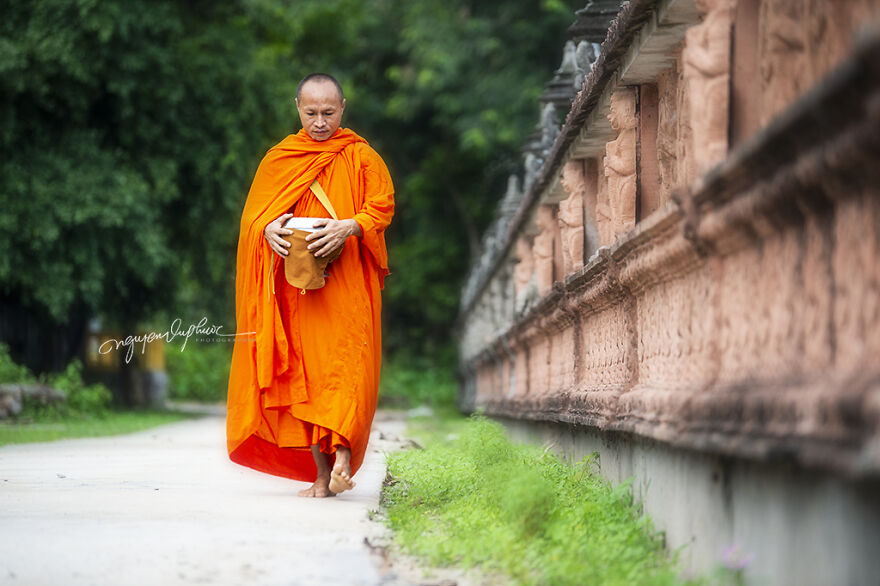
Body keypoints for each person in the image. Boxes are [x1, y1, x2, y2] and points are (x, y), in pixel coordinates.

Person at [226, 73, 394, 497]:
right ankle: (320, 476)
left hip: (347, 284)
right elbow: (255, 220)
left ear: (343, 108)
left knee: (345, 369)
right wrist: (267, 232)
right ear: (297, 108)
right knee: (305, 377)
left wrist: (349, 227)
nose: (320, 122)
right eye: (311, 112)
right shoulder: (280, 158)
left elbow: (382, 207)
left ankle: (342, 458)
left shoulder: (361, 157)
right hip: (297, 290)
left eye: (329, 112)